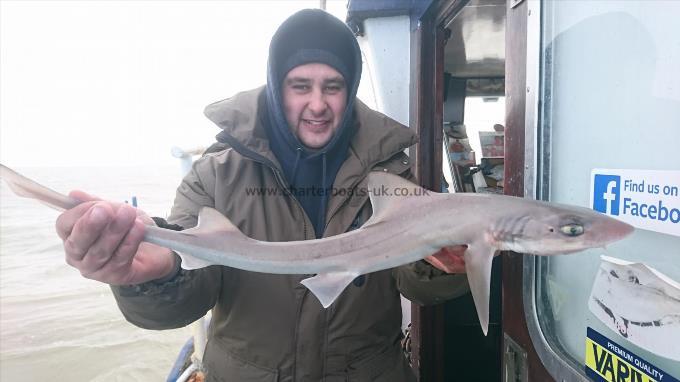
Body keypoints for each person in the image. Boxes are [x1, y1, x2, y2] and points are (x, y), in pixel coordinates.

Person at [55, 9, 469, 381]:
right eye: (300, 85)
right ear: (276, 86)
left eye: (333, 86)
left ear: (351, 87)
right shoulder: (216, 176)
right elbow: (185, 302)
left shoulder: (391, 174)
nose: (318, 104)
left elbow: (415, 285)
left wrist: (448, 265)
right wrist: (156, 278)